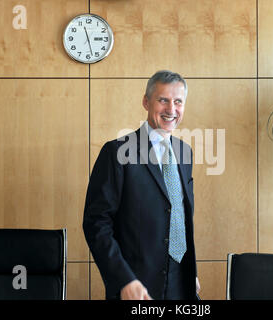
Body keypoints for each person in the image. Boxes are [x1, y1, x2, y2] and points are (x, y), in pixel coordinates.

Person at [83, 70, 200, 300]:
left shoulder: (185, 153)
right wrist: (123, 279)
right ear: (146, 102)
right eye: (163, 100)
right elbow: (97, 224)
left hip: (181, 285)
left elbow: (178, 215)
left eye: (178, 102)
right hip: (137, 288)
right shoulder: (117, 152)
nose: (171, 109)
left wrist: (188, 271)